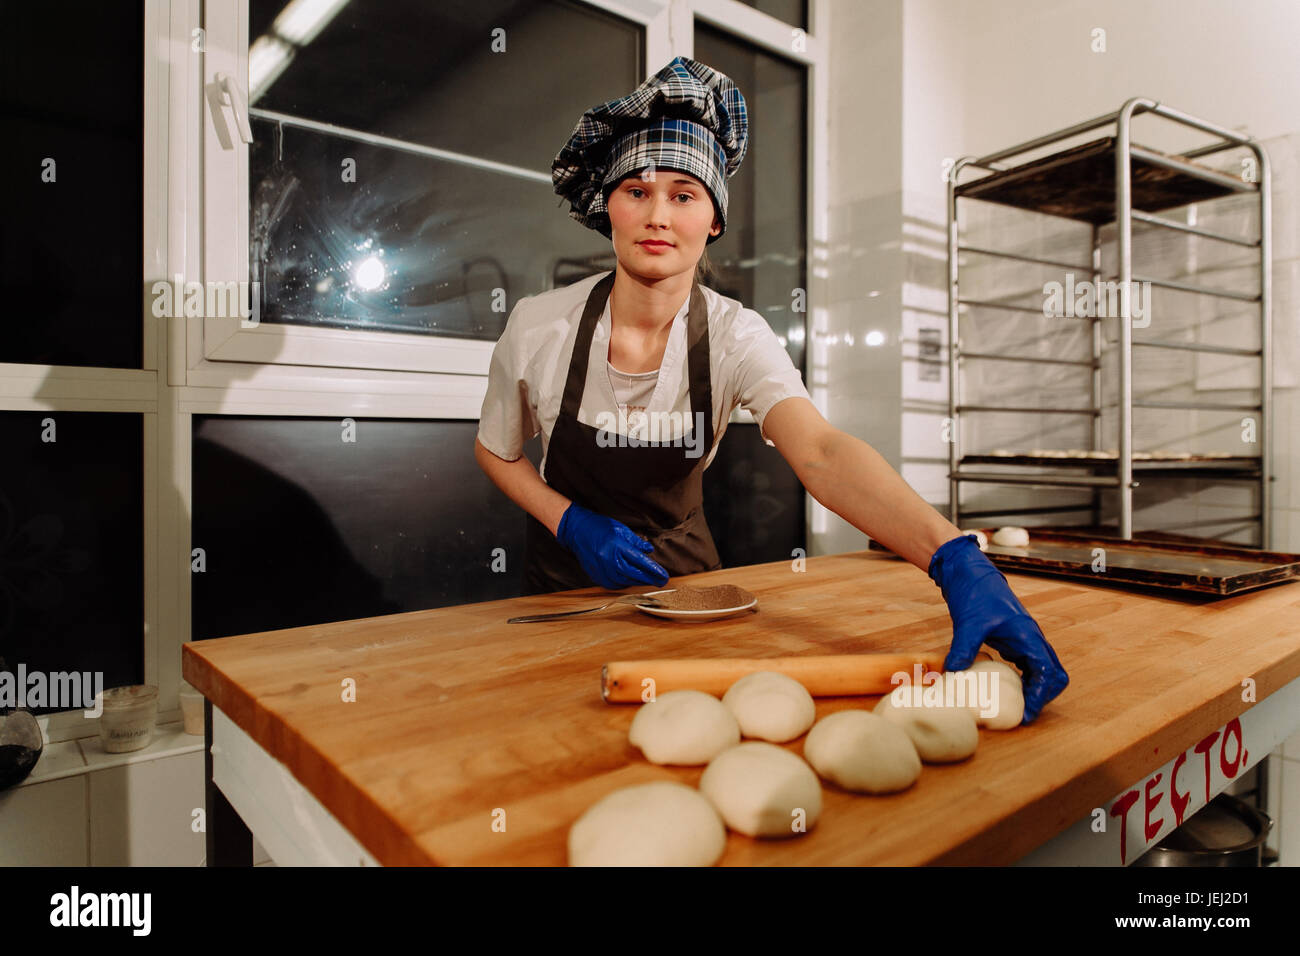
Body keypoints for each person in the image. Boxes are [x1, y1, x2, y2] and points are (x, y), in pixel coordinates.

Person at [475, 57, 1067, 722]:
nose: (657, 216)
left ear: (714, 219)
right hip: (563, 584)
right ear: (606, 205)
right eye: (636, 191)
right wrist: (569, 521)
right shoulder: (539, 325)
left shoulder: (736, 335)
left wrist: (955, 558)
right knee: (556, 724)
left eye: (683, 194)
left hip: (686, 585)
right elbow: (497, 451)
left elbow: (818, 452)